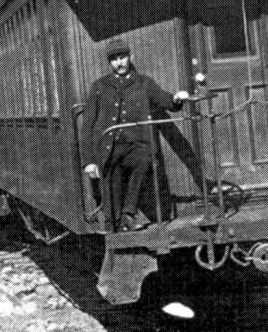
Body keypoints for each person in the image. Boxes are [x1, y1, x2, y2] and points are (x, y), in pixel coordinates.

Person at [81, 39, 189, 231]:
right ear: (110, 63)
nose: (119, 63)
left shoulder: (144, 83)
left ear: (130, 58)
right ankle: (115, 223)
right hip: (109, 148)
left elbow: (165, 99)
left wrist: (176, 99)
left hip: (135, 147)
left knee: (145, 159)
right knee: (111, 178)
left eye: (122, 57)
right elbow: (87, 125)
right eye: (114, 59)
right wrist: (89, 161)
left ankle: (129, 213)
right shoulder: (99, 86)